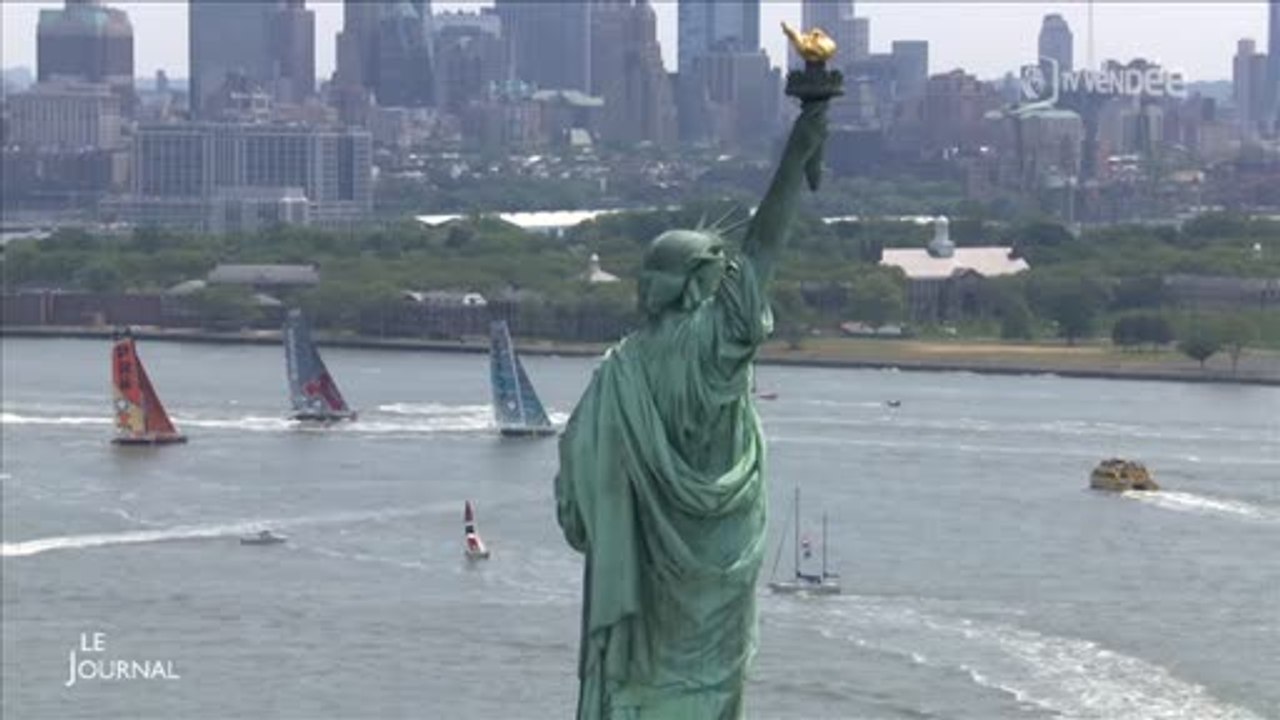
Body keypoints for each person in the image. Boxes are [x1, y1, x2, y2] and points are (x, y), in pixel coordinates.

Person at [555, 94, 833, 719]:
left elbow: (574, 501)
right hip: (718, 558)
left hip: (644, 580)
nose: (727, 276)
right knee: (711, 692)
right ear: (698, 282)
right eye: (717, 270)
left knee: (649, 687)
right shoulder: (714, 346)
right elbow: (765, 246)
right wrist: (798, 149)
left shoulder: (617, 371)